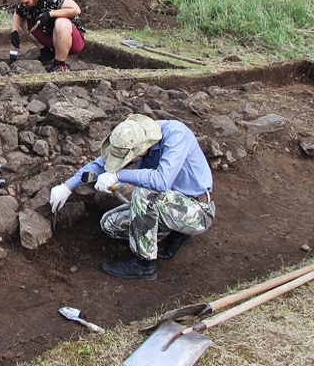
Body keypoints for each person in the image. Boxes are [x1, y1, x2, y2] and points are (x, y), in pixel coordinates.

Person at [49, 114, 215, 280]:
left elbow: (162, 180)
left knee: (144, 194)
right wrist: (67, 186)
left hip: (197, 210)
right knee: (110, 224)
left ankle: (144, 265)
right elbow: (101, 164)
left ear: (141, 148)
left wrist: (118, 175)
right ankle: (177, 234)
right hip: (168, 205)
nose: (127, 161)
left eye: (129, 158)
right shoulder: (133, 135)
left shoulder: (177, 135)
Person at [9, 0, 86, 73]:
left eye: (26, 2)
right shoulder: (25, 3)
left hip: (72, 40)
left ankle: (60, 64)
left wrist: (50, 14)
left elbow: (76, 9)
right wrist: (14, 31)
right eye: (22, 3)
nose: (24, 5)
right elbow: (18, 13)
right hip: (52, 37)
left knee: (61, 23)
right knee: (24, 21)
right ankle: (46, 53)